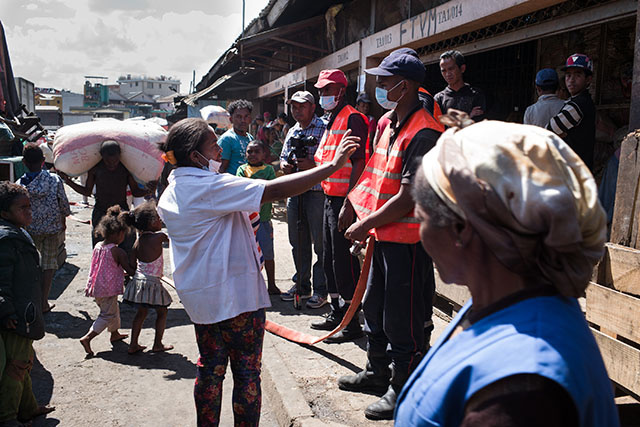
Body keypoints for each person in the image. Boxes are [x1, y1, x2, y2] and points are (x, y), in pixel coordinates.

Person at [396, 115, 619, 427]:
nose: (420, 234)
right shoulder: (507, 300)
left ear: (461, 229)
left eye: (421, 218)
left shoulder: (519, 395)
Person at [156, 117, 358, 426]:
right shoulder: (210, 186)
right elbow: (274, 189)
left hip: (200, 298)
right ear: (195, 155)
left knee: (209, 368)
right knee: (247, 373)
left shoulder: (173, 188)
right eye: (213, 146)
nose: (220, 153)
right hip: (235, 298)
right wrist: (331, 167)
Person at [338, 51, 444, 420]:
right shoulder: (386, 123)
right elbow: (373, 173)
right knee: (374, 307)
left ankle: (404, 387)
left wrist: (365, 224)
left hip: (409, 243)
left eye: (386, 80)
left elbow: (410, 195)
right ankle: (377, 371)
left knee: (405, 318)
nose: (379, 86)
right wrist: (352, 204)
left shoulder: (426, 132)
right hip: (383, 236)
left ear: (407, 85)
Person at [312, 69, 369, 341]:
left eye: (328, 90)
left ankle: (351, 321)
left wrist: (350, 201)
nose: (323, 95)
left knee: (343, 260)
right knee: (328, 258)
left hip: (343, 201)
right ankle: (337, 311)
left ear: (341, 90)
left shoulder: (353, 118)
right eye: (321, 90)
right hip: (328, 198)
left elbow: (360, 161)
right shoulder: (331, 119)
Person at [0, 182, 55, 425]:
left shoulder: (17, 232)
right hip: (16, 314)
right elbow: (1, 279)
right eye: (22, 208)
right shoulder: (6, 239)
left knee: (25, 361)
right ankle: (8, 416)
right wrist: (6, 309)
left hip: (24, 310)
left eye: (29, 206)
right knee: (17, 366)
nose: (29, 211)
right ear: (4, 213)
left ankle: (28, 407)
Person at [279, 91, 329, 308]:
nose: (297, 111)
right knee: (297, 242)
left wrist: (313, 166)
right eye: (294, 107)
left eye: (301, 106)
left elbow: (332, 161)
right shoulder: (292, 130)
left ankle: (321, 289)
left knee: (320, 243)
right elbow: (283, 156)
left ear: (312, 107)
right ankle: (301, 284)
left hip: (317, 192)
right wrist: (284, 166)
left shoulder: (324, 127)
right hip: (295, 191)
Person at [59, 139, 152, 249]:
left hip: (121, 212)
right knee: (101, 249)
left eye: (115, 160)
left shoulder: (125, 169)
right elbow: (87, 191)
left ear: (120, 156)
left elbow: (135, 191)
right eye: (108, 161)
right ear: (102, 156)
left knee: (128, 248)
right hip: (101, 212)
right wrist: (68, 181)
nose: (112, 164)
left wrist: (150, 190)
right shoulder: (95, 169)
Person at [18, 143, 71, 313]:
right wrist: (63, 219)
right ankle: (43, 303)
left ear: (24, 162)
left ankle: (30, 300)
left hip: (29, 230)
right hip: (52, 229)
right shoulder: (54, 180)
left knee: (31, 265)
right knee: (49, 265)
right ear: (43, 160)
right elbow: (63, 202)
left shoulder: (20, 185)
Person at [79, 206, 135, 357]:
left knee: (112, 310)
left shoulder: (99, 246)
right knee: (106, 315)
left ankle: (115, 333)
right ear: (119, 234)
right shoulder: (118, 251)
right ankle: (88, 337)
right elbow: (130, 270)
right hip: (108, 289)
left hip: (97, 287)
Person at [122, 201, 173, 355]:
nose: (161, 221)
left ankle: (133, 344)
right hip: (152, 282)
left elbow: (131, 265)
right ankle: (157, 343)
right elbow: (175, 239)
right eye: (158, 219)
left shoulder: (138, 241)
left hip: (138, 281)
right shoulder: (159, 237)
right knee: (162, 312)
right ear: (151, 222)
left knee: (141, 313)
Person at [374, 48, 442, 152]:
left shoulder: (423, 134)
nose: (379, 91)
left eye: (383, 86)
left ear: (404, 86)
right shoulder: (392, 122)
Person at [237, 141, 279, 295]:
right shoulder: (241, 169)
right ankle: (253, 286)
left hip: (264, 220)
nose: (252, 155)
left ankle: (272, 284)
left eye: (256, 151)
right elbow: (242, 188)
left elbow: (271, 188)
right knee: (249, 255)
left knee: (268, 254)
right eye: (250, 152)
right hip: (246, 221)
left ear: (264, 154)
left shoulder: (268, 169)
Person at [547, 54, 596, 170]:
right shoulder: (579, 101)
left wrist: (561, 134)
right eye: (568, 75)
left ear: (588, 79)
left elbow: (550, 130)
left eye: (577, 75)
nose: (571, 80)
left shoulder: (578, 105)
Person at [435, 50, 486, 121]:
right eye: (444, 71)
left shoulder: (476, 94)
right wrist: (469, 116)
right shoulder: (439, 99)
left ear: (462, 68)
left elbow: (478, 125)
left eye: (451, 69)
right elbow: (438, 124)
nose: (447, 74)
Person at [218, 100, 254, 175]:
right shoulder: (226, 139)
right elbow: (221, 169)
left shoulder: (250, 138)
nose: (243, 120)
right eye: (238, 117)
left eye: (246, 116)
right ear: (231, 119)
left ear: (250, 119)